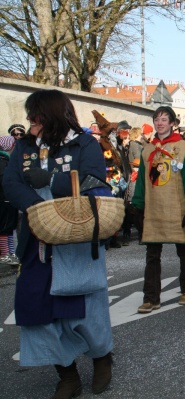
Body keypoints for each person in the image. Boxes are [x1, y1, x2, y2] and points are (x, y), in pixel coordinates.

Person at [3, 89, 114, 397]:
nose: (29, 121)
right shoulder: (24, 146)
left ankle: (102, 357)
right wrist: (37, 210)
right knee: (36, 309)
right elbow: (11, 182)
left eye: (34, 115)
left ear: (50, 115)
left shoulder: (84, 143)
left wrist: (51, 180)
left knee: (85, 310)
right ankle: (67, 373)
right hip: (37, 242)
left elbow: (95, 181)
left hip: (77, 241)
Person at [132, 106, 185, 313]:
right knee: (152, 254)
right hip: (154, 208)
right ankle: (150, 297)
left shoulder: (183, 147)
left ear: (172, 123)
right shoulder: (147, 150)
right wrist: (137, 206)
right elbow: (143, 183)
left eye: (164, 119)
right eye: (157, 119)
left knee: (183, 248)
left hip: (177, 206)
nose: (159, 123)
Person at [0, 135, 19, 266]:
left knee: (9, 227)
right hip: (4, 199)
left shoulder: (6, 160)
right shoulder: (2, 161)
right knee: (4, 228)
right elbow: (4, 181)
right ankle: (5, 254)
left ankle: (11, 253)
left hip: (6, 199)